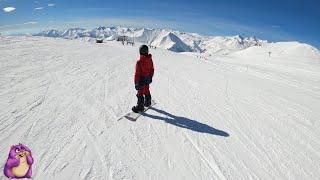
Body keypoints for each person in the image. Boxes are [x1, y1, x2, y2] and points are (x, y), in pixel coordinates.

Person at [132, 45, 154, 113]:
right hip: (147, 79)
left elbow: (137, 74)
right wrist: (150, 77)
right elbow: (152, 69)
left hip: (141, 80)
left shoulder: (139, 62)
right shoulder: (150, 60)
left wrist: (136, 83)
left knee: (140, 93)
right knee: (146, 90)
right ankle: (147, 102)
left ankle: (140, 107)